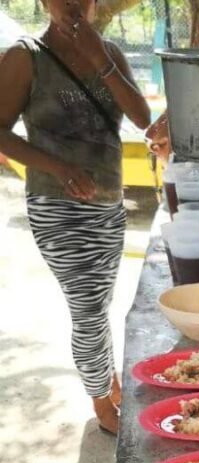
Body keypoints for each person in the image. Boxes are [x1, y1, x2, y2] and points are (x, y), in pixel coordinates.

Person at [0, 0, 151, 434]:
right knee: (86, 307)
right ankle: (101, 399)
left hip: (108, 202)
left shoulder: (112, 53)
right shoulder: (25, 57)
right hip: (56, 205)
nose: (72, 3)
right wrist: (58, 167)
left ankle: (107, 378)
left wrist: (99, 57)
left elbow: (141, 118)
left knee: (100, 304)